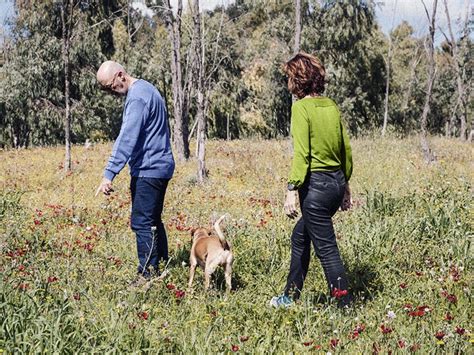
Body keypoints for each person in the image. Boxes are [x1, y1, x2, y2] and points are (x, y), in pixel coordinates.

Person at [270, 52, 353, 308]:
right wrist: (346, 185)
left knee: (326, 249)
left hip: (316, 189)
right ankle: (290, 296)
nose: (288, 83)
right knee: (301, 236)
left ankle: (345, 305)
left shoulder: (301, 108)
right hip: (335, 184)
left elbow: (302, 155)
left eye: (289, 78)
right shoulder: (331, 105)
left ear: (297, 79)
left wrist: (291, 188)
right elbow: (345, 149)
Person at [95, 61, 175, 285]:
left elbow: (127, 138)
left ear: (121, 75)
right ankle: (163, 265)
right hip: (160, 165)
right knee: (153, 220)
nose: (112, 92)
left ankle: (147, 274)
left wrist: (109, 173)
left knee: (141, 222)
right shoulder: (147, 88)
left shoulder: (137, 97)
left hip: (149, 169)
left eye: (111, 86)